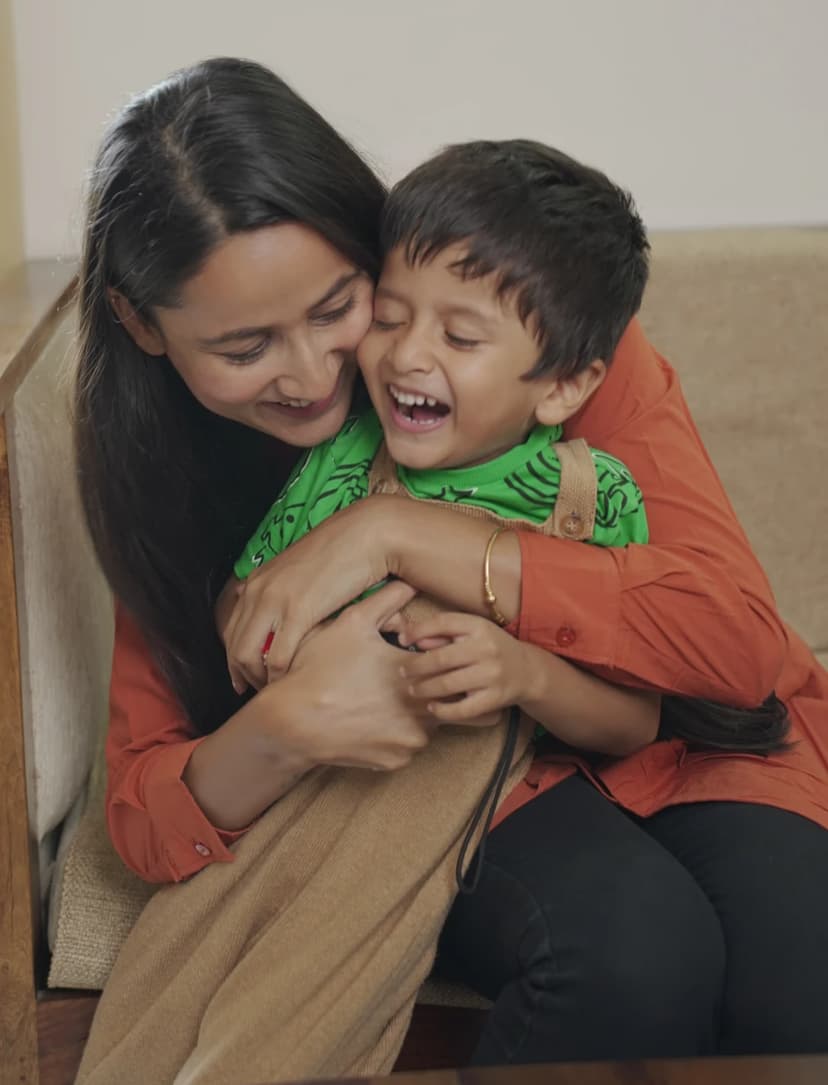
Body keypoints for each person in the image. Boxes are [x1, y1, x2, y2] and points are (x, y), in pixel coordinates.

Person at [75, 56, 828, 1066]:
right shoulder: (167, 472)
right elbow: (147, 803)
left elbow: (731, 642)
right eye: (246, 346)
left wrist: (397, 533)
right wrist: (287, 727)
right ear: (142, 324)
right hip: (471, 783)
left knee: (800, 969)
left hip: (692, 736)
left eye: (345, 303)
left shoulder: (524, 324)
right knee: (631, 955)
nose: (316, 374)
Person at [231, 139, 658, 760]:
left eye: (459, 337)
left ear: (565, 386)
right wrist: (305, 661)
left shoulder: (595, 497)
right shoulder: (345, 455)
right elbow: (243, 608)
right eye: (388, 318)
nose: (405, 355)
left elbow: (634, 723)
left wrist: (525, 674)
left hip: (520, 801)